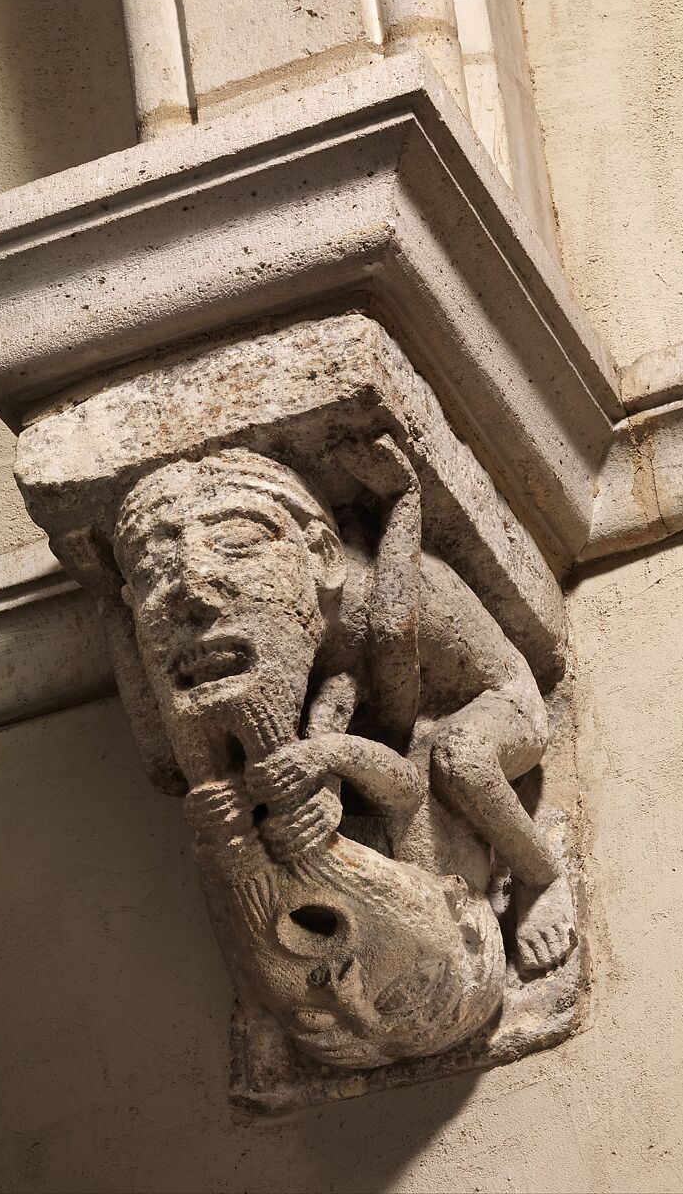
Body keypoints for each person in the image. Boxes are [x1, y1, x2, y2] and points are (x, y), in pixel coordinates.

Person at [111, 445, 576, 1066]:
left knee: (459, 755)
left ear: (322, 558)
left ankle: (539, 876)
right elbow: (356, 717)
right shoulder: (293, 640)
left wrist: (407, 502)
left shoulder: (368, 608)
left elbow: (395, 696)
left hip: (494, 705)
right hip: (379, 730)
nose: (192, 587)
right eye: (150, 571)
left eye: (239, 541)